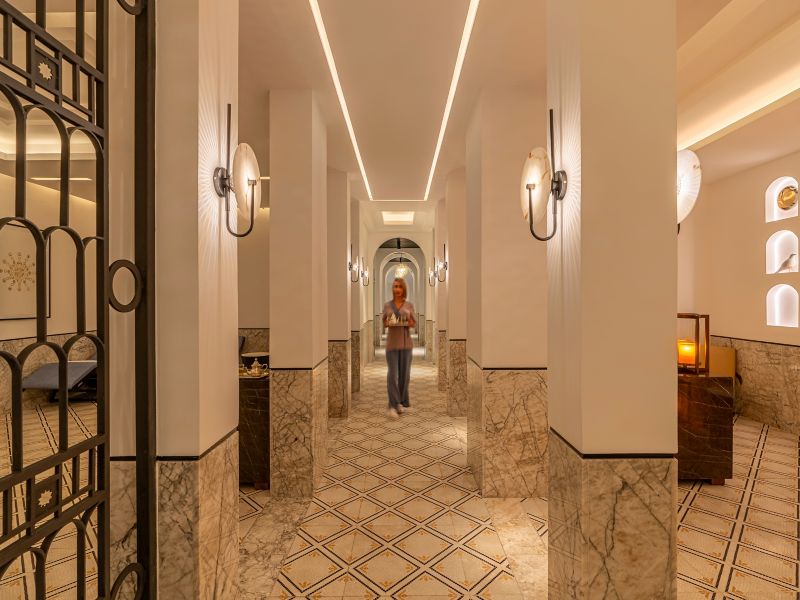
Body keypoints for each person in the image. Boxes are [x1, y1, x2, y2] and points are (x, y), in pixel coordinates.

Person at [382, 277, 417, 418]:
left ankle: (400, 402)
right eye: (395, 286)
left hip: (406, 344)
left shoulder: (409, 305)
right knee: (392, 375)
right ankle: (392, 404)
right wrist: (389, 322)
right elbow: (384, 322)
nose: (397, 289)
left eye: (400, 286)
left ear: (403, 289)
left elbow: (413, 323)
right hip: (392, 344)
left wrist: (407, 322)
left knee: (404, 375)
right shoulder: (387, 306)